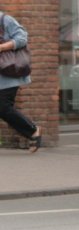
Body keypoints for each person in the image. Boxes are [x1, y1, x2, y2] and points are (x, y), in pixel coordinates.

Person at [0, 11, 41, 152]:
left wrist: (2, 47)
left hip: (8, 75)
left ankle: (32, 130)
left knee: (3, 108)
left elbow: (22, 38)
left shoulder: (5, 20)